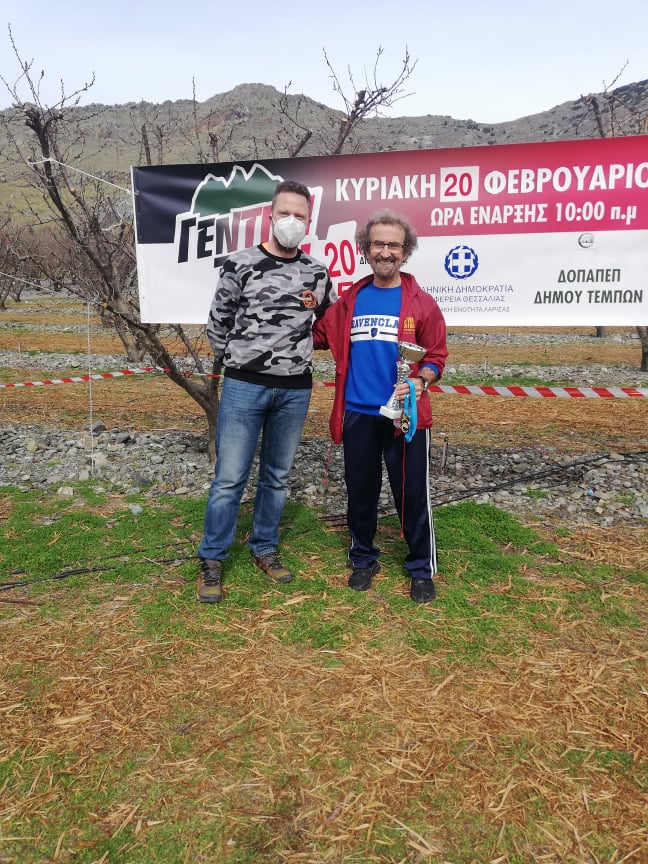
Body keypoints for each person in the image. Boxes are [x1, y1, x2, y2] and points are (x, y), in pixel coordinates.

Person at [197, 180, 335, 603]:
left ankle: (265, 547)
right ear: (270, 216)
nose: (291, 221)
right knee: (229, 478)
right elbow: (218, 324)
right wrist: (241, 361)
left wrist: (298, 353)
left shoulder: (317, 273)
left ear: (309, 222)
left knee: (277, 477)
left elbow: (326, 326)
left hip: (294, 391)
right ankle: (212, 558)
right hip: (244, 387)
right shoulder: (239, 264)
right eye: (284, 213)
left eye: (300, 216)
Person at [313, 209, 448, 603]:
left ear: (405, 251)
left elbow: (436, 357)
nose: (385, 251)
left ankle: (421, 567)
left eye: (393, 245)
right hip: (358, 413)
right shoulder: (349, 300)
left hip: (405, 417)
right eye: (378, 244)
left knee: (412, 495)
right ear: (365, 249)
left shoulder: (422, 303)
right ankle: (363, 558)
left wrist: (421, 380)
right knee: (360, 493)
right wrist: (300, 306)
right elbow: (318, 335)